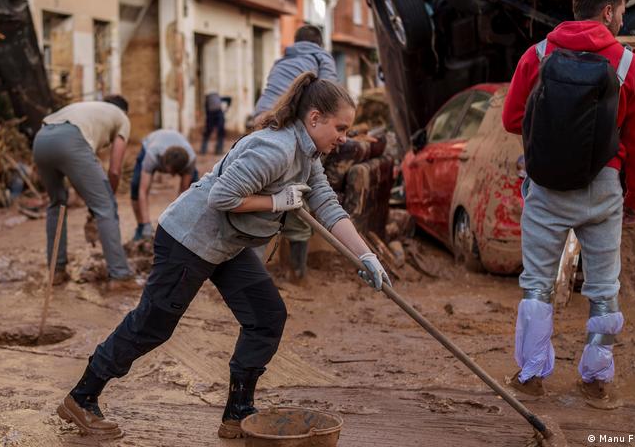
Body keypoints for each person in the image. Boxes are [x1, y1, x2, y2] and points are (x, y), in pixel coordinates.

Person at [56, 73, 389, 439]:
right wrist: (276, 202)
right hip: (189, 238)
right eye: (340, 128)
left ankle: (238, 411)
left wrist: (365, 255)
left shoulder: (307, 155)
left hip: (229, 244)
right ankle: (82, 397)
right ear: (314, 118)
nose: (344, 138)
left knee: (266, 315)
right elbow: (222, 197)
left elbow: (326, 205)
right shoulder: (276, 148)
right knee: (153, 325)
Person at [501, 0, 635, 409]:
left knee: (537, 285)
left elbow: (512, 119)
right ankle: (598, 379)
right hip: (604, 187)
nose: (624, 18)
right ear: (607, 12)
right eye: (622, 10)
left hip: (546, 184)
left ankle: (531, 375)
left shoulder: (538, 54)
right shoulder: (631, 66)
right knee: (604, 286)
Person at [251, 23, 338, 280]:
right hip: (290, 130)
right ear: (320, 43)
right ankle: (298, 273)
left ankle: (250, 273)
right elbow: (331, 99)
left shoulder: (281, 61)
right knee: (300, 195)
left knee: (261, 197)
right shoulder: (322, 58)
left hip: (260, 124)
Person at [32, 96, 139, 291]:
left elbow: (82, 176)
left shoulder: (87, 109)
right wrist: (107, 200)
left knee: (57, 204)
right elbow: (114, 170)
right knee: (106, 207)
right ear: (124, 111)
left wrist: (93, 203)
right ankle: (120, 275)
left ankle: (56, 272)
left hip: (41, 139)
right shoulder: (122, 118)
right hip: (72, 139)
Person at [130, 129, 199, 242]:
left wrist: (176, 226)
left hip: (183, 155)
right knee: (136, 186)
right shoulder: (152, 155)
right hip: (152, 142)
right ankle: (141, 227)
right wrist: (147, 223)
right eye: (170, 172)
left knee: (194, 193)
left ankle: (189, 230)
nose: (171, 176)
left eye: (174, 173)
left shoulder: (190, 160)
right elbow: (143, 191)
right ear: (163, 163)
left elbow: (183, 194)